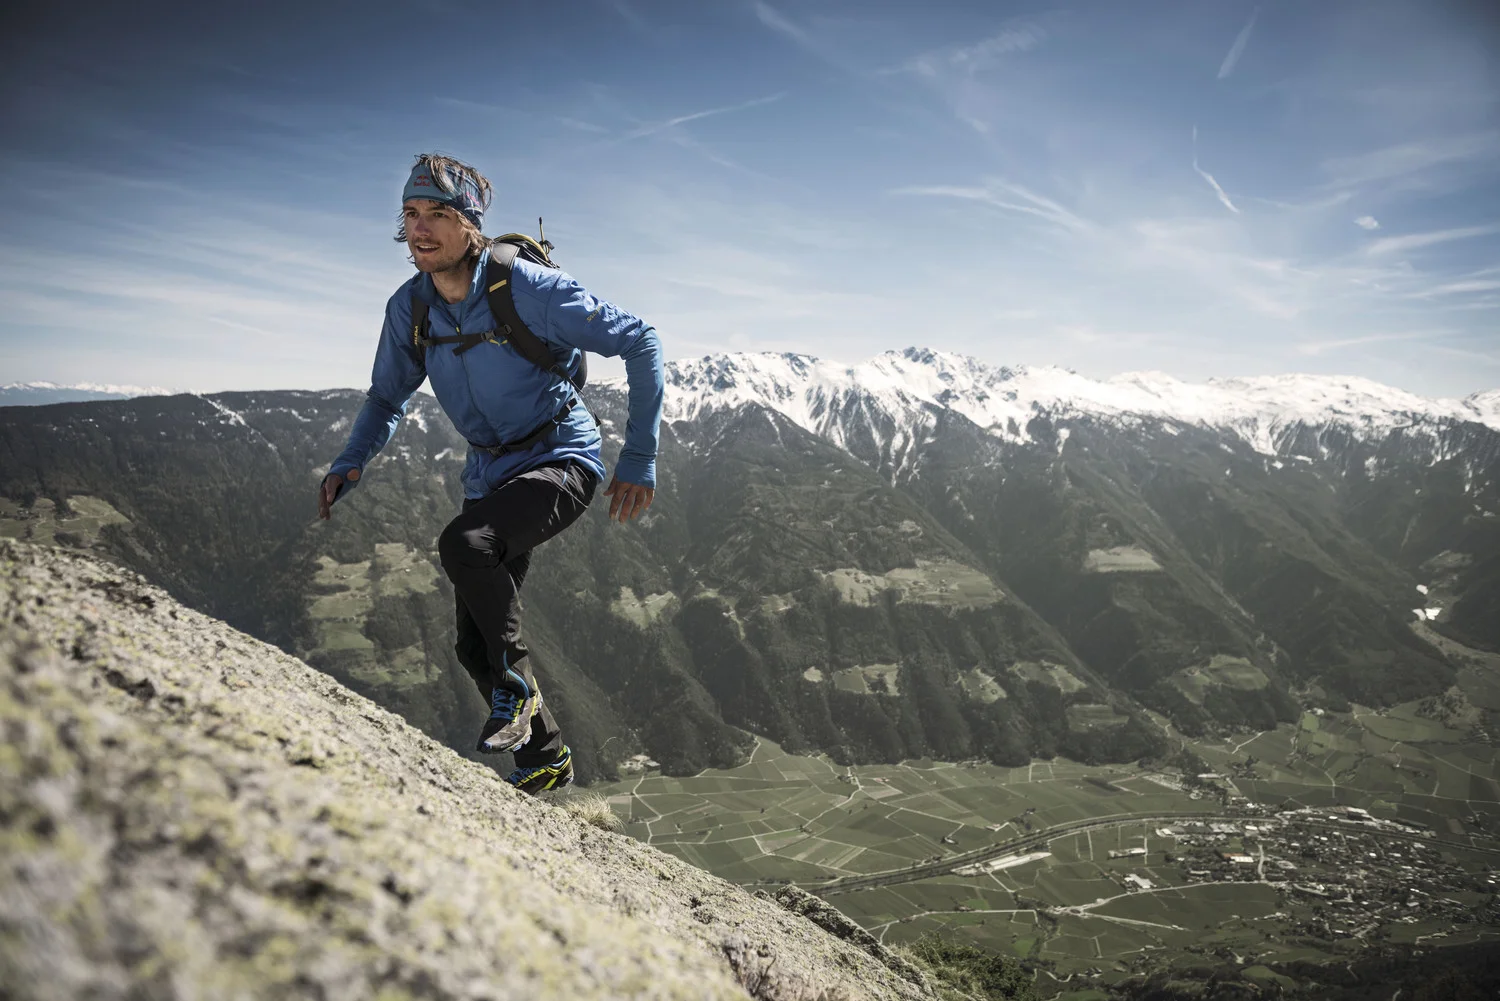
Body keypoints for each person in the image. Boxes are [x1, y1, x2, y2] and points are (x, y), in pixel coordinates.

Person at [318, 153, 663, 794]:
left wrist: (638, 457)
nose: (421, 230)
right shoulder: (411, 307)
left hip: (562, 458)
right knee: (473, 646)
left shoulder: (526, 289)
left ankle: (514, 691)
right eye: (411, 215)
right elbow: (387, 397)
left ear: (471, 223)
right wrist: (352, 459)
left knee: (466, 544)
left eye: (439, 215)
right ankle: (545, 758)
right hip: (490, 478)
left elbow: (641, 339)